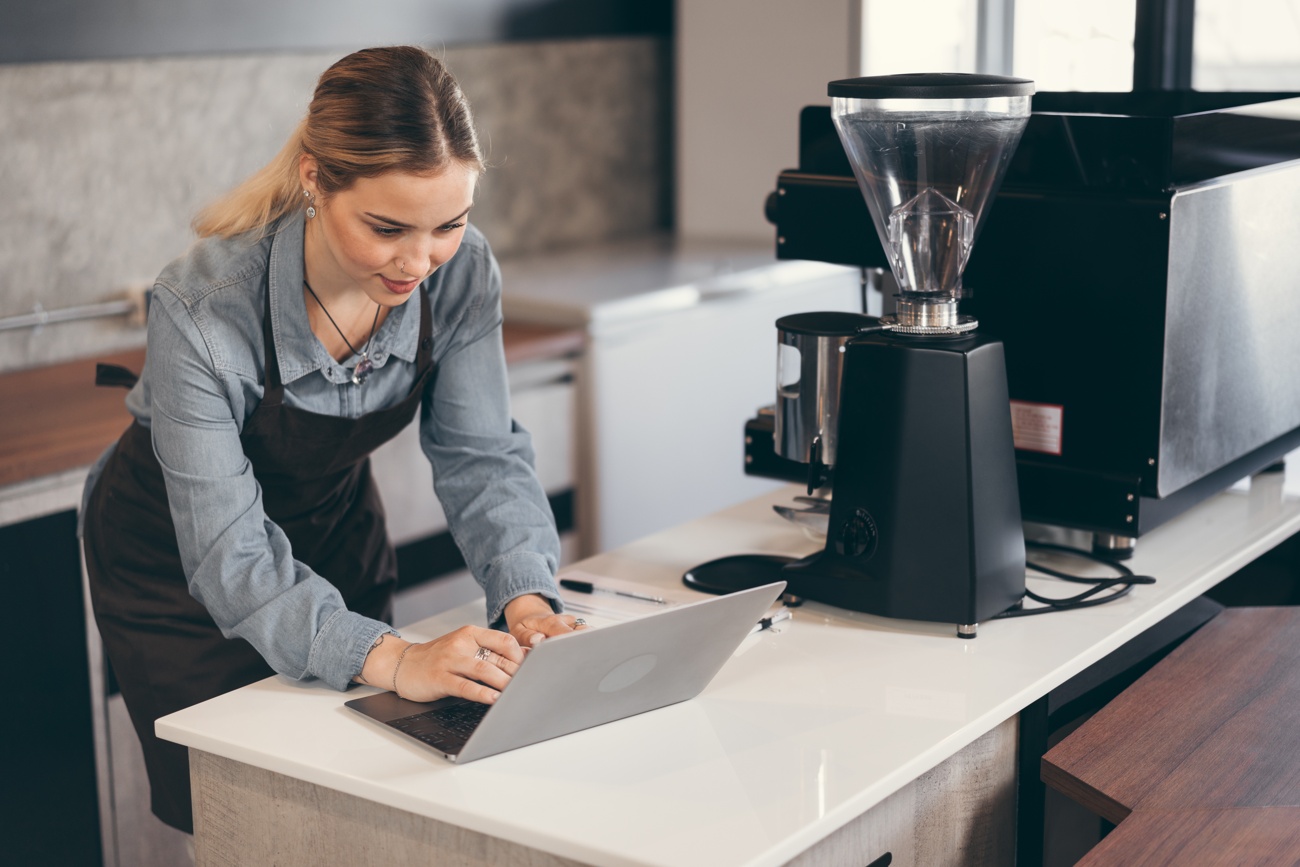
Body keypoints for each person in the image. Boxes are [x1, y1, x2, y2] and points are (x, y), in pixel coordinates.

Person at [81, 45, 580, 835]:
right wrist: (395, 656)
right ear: (315, 179)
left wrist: (526, 598)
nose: (419, 261)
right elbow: (230, 558)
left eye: (449, 223)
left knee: (359, 797)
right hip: (178, 568)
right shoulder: (205, 307)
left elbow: (480, 455)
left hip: (331, 531)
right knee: (244, 819)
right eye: (386, 227)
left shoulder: (461, 273)